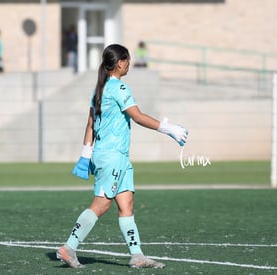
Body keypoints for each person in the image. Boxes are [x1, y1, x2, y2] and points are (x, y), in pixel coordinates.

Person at [56, 44, 188, 269]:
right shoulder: (119, 88)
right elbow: (137, 117)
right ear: (120, 63)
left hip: (114, 157)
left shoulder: (100, 88)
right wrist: (168, 128)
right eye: (127, 60)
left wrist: (86, 155)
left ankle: (137, 256)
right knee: (101, 204)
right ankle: (68, 248)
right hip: (112, 157)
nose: (130, 63)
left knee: (126, 204)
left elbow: (90, 124)